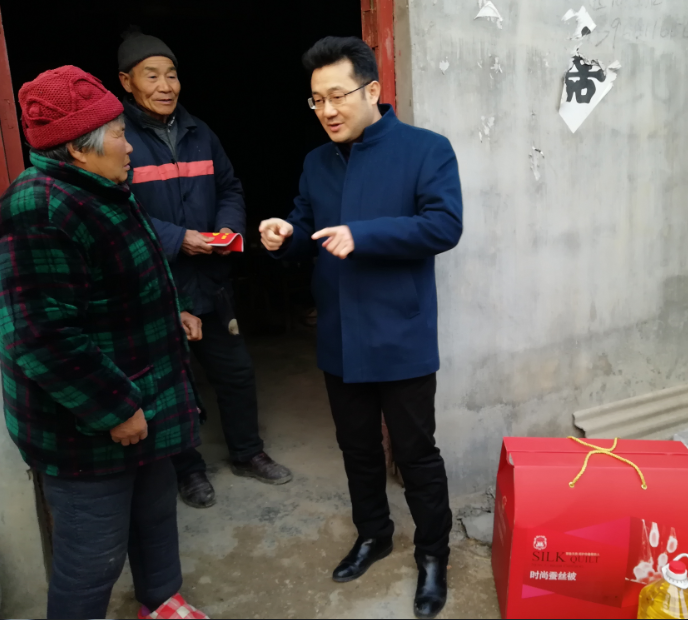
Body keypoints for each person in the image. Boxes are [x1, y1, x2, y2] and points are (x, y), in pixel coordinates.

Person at [260, 37, 463, 619]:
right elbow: (306, 225)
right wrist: (284, 236)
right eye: (317, 100)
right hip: (340, 335)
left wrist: (364, 235)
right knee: (357, 449)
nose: (327, 110)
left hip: (400, 334)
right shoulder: (316, 162)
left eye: (338, 96)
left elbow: (444, 225)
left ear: (372, 90)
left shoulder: (426, 149)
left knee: (416, 454)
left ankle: (433, 555)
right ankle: (374, 534)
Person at [0, 66, 207, 620]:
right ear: (77, 147)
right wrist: (115, 408)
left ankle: (161, 602)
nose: (130, 144)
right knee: (92, 555)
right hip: (88, 429)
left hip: (143, 397)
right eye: (119, 134)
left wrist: (172, 310)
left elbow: (118, 283)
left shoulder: (99, 187)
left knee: (155, 514)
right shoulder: (40, 209)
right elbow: (41, 337)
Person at [117, 30, 292, 508]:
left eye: (172, 75)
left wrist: (227, 229)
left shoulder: (200, 132)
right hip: (159, 284)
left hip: (210, 279)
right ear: (126, 82)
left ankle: (248, 452)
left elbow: (230, 186)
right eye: (152, 76)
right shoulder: (117, 140)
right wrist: (178, 239)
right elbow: (117, 210)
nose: (165, 85)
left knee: (235, 371)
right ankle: (188, 470)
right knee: (172, 382)